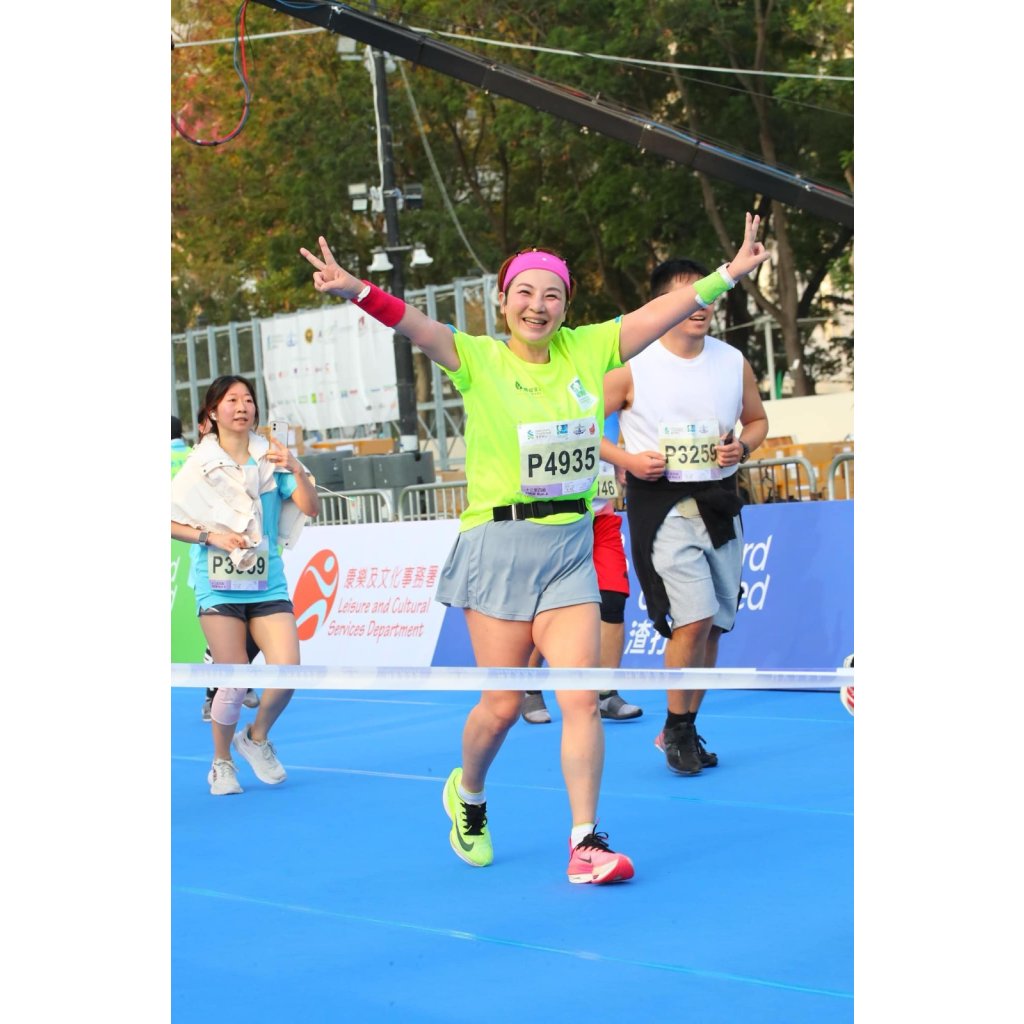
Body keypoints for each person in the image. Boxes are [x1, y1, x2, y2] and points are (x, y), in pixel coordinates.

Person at [300, 214, 768, 883]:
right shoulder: (479, 359)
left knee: (579, 696)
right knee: (501, 708)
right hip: (497, 547)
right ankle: (468, 793)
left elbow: (662, 311)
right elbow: (416, 326)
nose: (537, 305)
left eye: (552, 295)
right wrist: (354, 289)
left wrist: (730, 272)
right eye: (524, 293)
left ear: (566, 306)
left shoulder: (589, 349)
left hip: (570, 548)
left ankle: (585, 842)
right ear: (503, 301)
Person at [602, 257, 769, 776]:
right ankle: (676, 728)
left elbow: (758, 421)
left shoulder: (732, 361)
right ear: (662, 305)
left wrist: (741, 447)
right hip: (662, 506)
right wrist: (628, 460)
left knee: (714, 624)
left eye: (708, 294)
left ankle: (685, 726)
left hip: (719, 501)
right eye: (688, 296)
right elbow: (578, 424)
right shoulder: (632, 364)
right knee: (692, 617)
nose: (701, 305)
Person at [171, 375, 320, 795]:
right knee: (234, 678)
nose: (242, 407)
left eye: (248, 399)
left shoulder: (272, 458)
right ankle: (221, 762)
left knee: (288, 670)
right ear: (213, 412)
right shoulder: (199, 464)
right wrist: (210, 537)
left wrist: (296, 468)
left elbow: (311, 507)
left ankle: (256, 738)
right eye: (232, 400)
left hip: (267, 582)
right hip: (218, 583)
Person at [521, 434, 642, 725]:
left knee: (613, 598)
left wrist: (619, 460)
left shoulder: (602, 405)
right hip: (555, 520)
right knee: (551, 609)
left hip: (601, 517)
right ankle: (529, 684)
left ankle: (605, 693)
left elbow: (605, 436)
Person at [175, 413, 262, 721]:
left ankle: (234, 681)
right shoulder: (195, 462)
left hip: (251, 560)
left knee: (254, 628)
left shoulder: (251, 456)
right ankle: (216, 694)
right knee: (224, 635)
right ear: (202, 426)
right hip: (212, 562)